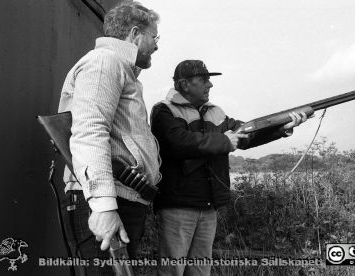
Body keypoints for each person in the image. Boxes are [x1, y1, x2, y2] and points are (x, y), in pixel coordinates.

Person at [151, 60, 308, 276]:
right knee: (172, 271)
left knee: (200, 270)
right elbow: (178, 142)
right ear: (185, 84)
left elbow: (246, 135)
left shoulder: (216, 112)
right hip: (178, 206)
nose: (210, 85)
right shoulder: (164, 111)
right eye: (204, 80)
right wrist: (224, 141)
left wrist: (282, 128)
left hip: (208, 206)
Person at [57, 1, 161, 274]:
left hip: (122, 197)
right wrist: (103, 207)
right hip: (109, 198)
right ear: (135, 33)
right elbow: (89, 130)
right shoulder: (105, 62)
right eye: (154, 37)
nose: (157, 45)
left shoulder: (120, 68)